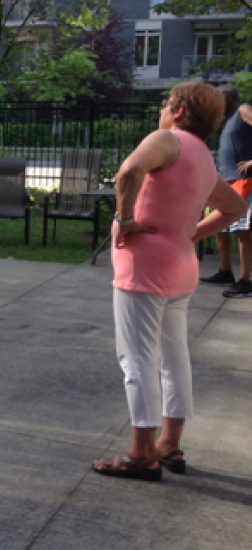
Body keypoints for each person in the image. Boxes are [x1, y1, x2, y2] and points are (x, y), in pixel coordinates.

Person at [93, 82, 246, 481]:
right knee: (173, 356)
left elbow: (129, 170)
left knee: (137, 357)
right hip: (180, 268)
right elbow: (234, 206)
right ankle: (169, 444)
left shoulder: (167, 140)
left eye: (166, 104)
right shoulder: (203, 158)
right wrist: (188, 234)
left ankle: (141, 453)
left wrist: (125, 219)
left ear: (178, 111)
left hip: (144, 267)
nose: (162, 111)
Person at [199, 85, 252, 298]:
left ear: (230, 98)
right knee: (219, 228)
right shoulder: (228, 120)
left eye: (219, 97)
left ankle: (245, 281)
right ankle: (225, 272)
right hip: (227, 180)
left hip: (244, 180)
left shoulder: (243, 110)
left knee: (241, 231)